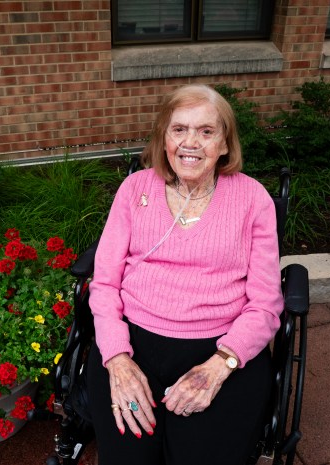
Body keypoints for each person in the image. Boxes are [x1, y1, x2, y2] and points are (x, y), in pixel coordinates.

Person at [86, 84, 284, 465]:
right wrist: (116, 359)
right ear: (164, 137)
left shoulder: (253, 199)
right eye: (179, 129)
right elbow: (105, 282)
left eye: (206, 131)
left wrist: (219, 367)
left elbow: (265, 304)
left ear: (225, 144)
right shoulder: (134, 189)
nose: (190, 142)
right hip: (133, 345)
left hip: (220, 347)